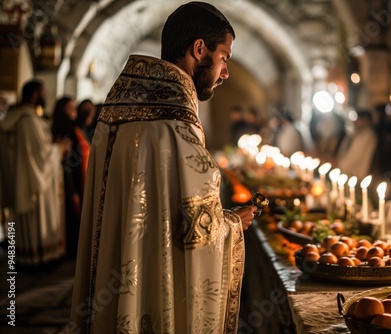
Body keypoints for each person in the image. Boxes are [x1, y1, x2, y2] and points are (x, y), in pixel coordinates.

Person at [69, 2, 257, 333]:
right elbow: (194, 233)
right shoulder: (176, 125)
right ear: (200, 49)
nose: (225, 71)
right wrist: (233, 223)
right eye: (224, 57)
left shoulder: (115, 112)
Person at [0, 79, 70, 266]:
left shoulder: (15, 117)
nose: (45, 96)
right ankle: (38, 259)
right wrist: (60, 148)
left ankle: (25, 256)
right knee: (37, 220)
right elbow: (40, 156)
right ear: (36, 94)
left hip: (23, 179)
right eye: (43, 92)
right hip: (35, 183)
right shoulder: (29, 121)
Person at [52, 96, 91, 259]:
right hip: (71, 182)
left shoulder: (74, 128)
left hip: (79, 179)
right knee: (72, 218)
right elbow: (67, 163)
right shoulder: (64, 130)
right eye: (71, 109)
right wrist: (72, 190)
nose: (74, 112)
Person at [336, 109, 378, 180]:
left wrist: (342, 164)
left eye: (358, 119)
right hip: (345, 170)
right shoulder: (355, 133)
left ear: (366, 121)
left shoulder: (368, 136)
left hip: (355, 173)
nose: (355, 122)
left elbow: (357, 156)